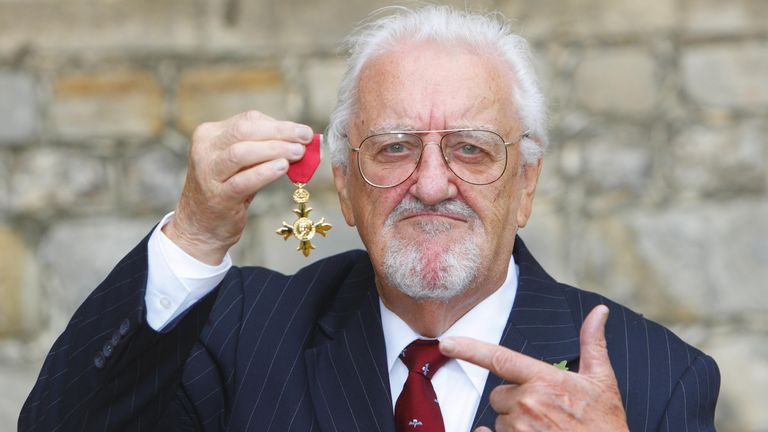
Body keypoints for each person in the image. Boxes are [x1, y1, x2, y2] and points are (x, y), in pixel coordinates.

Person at [19, 5, 719, 432]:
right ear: (346, 185)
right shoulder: (239, 336)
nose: (433, 184)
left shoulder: (654, 378)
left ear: (527, 184)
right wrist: (196, 234)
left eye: (472, 150)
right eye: (395, 148)